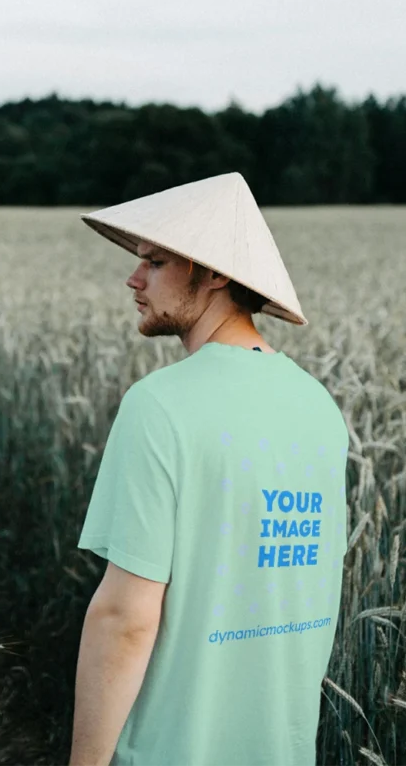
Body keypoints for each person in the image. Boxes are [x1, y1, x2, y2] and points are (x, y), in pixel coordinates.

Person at [69, 171, 348, 766]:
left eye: (155, 261)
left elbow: (125, 618)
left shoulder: (159, 404)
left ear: (216, 272)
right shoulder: (319, 406)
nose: (133, 277)